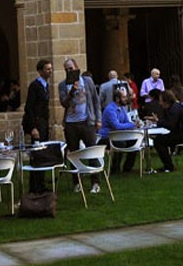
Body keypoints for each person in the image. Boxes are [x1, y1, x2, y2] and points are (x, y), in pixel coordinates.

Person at [58, 58, 102, 193]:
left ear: (77, 68)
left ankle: (95, 183)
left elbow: (95, 100)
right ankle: (76, 182)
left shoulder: (87, 82)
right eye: (66, 69)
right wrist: (71, 92)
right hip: (71, 123)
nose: (69, 71)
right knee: (74, 153)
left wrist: (98, 119)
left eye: (70, 68)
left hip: (86, 121)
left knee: (91, 151)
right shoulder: (63, 85)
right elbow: (64, 103)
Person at [22, 59, 53, 192]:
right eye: (47, 69)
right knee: (37, 154)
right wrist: (33, 127)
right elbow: (29, 107)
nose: (50, 71)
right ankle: (34, 186)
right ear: (40, 71)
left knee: (43, 154)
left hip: (43, 123)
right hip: (37, 124)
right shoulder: (35, 86)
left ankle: (41, 184)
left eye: (51, 68)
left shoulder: (46, 85)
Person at [98, 84, 138, 174]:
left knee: (134, 142)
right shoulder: (110, 110)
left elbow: (126, 122)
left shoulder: (122, 108)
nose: (126, 99)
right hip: (106, 137)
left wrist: (130, 124)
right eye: (124, 97)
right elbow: (116, 126)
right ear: (117, 99)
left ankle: (127, 168)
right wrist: (131, 125)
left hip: (118, 135)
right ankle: (115, 168)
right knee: (121, 143)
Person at [153, 89, 183, 172]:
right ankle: (168, 164)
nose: (160, 104)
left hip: (182, 135)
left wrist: (159, 122)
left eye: (161, 101)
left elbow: (171, 125)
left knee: (158, 141)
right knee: (160, 139)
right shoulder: (176, 107)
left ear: (166, 101)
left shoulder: (174, 109)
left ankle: (168, 165)